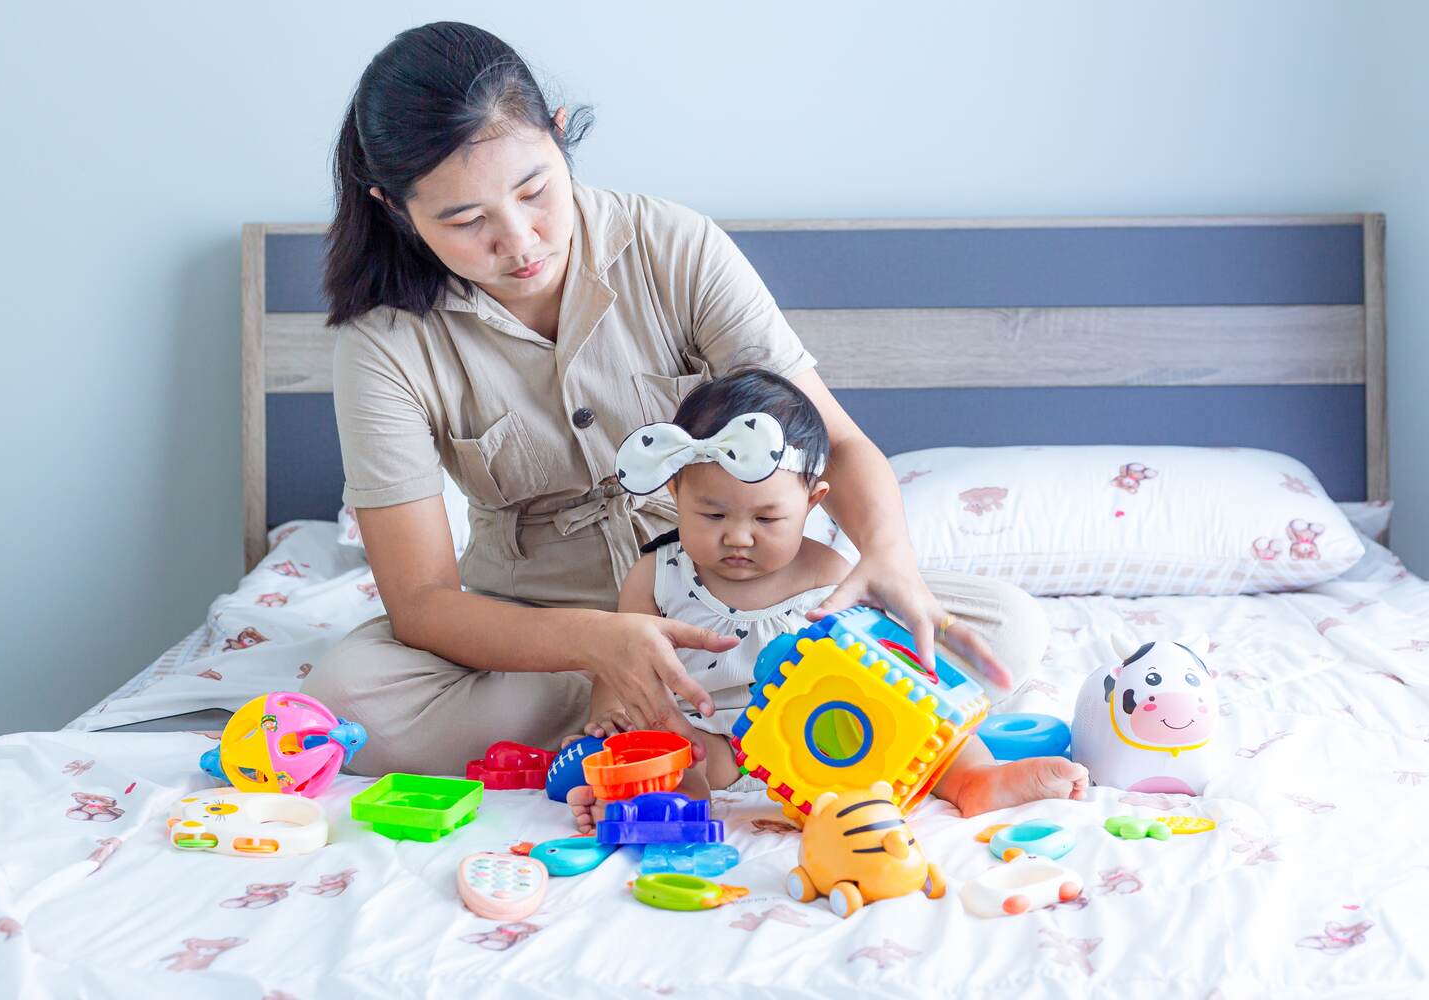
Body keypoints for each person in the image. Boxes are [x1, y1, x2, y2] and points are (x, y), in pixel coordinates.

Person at [302, 21, 1049, 777]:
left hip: (742, 594)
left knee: (1004, 629)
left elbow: (840, 443)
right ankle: (726, 699)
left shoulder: (673, 245)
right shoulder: (383, 343)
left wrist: (889, 560)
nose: (520, 240)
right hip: (539, 629)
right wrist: (598, 643)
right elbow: (424, 602)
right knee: (349, 706)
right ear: (395, 209)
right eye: (466, 221)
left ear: (561, 140)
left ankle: (683, 705)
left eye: (535, 192)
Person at [565, 368, 1087, 832]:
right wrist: (611, 716)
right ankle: (662, 803)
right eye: (713, 516)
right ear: (675, 492)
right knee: (665, 753)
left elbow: (876, 670)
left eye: (766, 519)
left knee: (913, 717)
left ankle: (974, 779)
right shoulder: (657, 575)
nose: (739, 537)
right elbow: (620, 664)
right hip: (713, 742)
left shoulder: (829, 575)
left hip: (819, 737)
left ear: (812, 502)